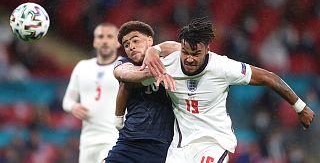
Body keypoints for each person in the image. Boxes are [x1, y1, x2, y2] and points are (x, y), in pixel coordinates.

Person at [119, 18, 315, 162]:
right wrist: (149, 64)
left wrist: (300, 106)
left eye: (196, 54)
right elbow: (126, 79)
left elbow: (268, 78)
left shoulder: (222, 67)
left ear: (207, 50)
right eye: (185, 52)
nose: (189, 59)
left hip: (214, 143)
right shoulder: (168, 65)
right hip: (180, 147)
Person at [104, 21, 175, 163]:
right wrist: (156, 72)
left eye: (135, 40)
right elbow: (124, 74)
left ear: (150, 40)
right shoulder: (123, 62)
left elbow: (182, 48)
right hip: (129, 141)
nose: (131, 46)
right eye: (126, 45)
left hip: (162, 145)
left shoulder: (169, 60)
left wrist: (155, 51)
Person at [62, 23, 121, 163]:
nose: (105, 40)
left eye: (110, 36)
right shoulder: (83, 67)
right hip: (87, 141)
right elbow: (67, 100)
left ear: (118, 42)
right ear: (95, 41)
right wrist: (73, 107)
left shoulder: (124, 67)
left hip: (114, 138)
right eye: (101, 36)